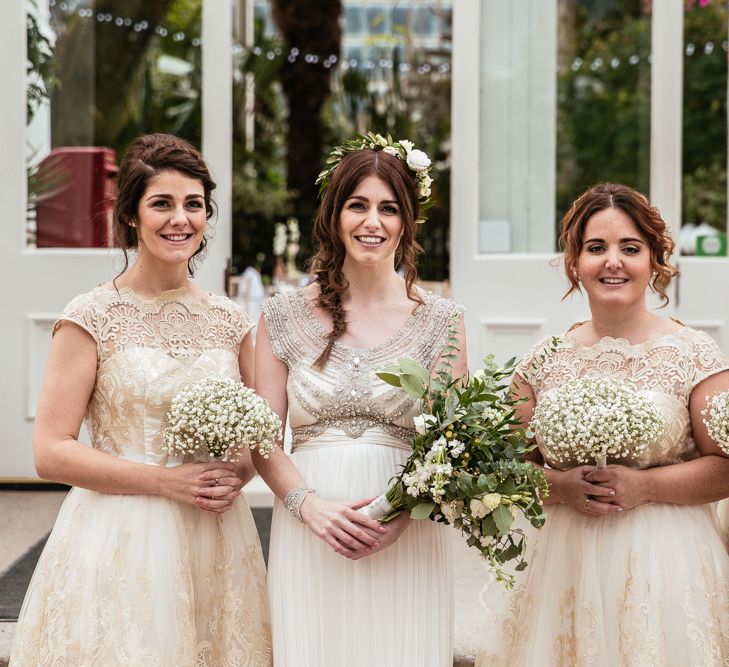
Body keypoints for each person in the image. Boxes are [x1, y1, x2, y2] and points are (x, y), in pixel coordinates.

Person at [10, 133, 272, 666]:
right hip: (120, 539)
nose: (181, 219)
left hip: (216, 537)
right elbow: (50, 451)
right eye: (162, 203)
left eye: (194, 204)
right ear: (131, 214)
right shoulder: (91, 316)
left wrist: (236, 475)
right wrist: (164, 481)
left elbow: (261, 433)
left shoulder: (231, 322)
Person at [476, 183, 729, 666]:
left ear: (655, 260)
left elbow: (725, 466)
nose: (613, 261)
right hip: (562, 566)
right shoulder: (542, 360)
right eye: (596, 248)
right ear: (575, 263)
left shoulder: (697, 355)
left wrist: (646, 487)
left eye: (630, 248)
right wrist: (559, 486)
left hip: (666, 567)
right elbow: (505, 473)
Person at [254, 134, 467, 667]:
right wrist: (311, 509)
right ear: (334, 215)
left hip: (408, 534)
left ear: (407, 222)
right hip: (310, 534)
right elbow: (260, 437)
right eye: (358, 205)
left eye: (388, 209)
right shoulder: (280, 317)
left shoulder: (443, 322)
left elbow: (456, 442)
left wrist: (399, 517)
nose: (372, 222)